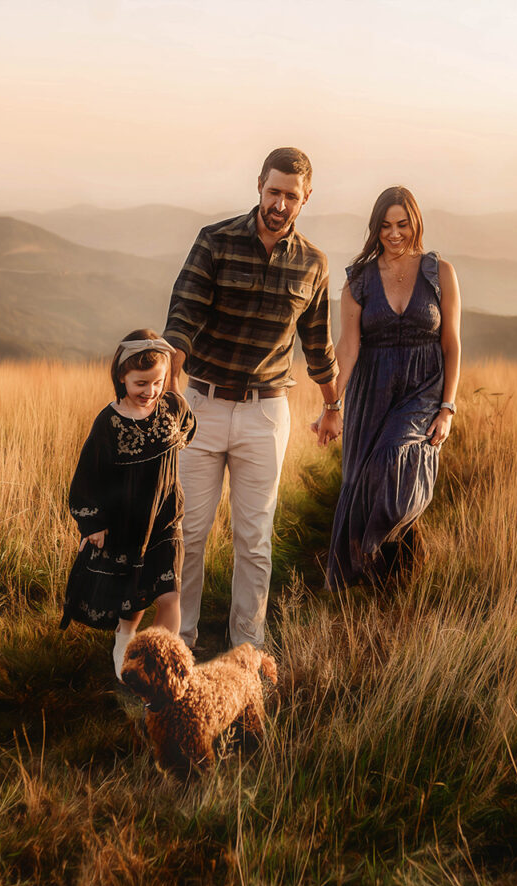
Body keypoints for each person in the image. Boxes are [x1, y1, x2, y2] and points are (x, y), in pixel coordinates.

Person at [163, 147, 342, 651]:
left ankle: (247, 649)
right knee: (188, 534)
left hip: (266, 413)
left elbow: (317, 345)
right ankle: (180, 642)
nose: (280, 204)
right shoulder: (214, 241)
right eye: (273, 192)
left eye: (291, 196)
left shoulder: (314, 263)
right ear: (258, 185)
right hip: (202, 405)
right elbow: (183, 315)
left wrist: (332, 407)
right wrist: (171, 382)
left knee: (255, 540)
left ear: (306, 198)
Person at [325, 186, 461, 589]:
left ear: (416, 222)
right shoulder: (360, 280)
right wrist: (332, 405)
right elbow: (348, 347)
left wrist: (448, 407)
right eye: (385, 226)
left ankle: (377, 557)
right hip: (372, 392)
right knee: (363, 479)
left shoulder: (441, 273)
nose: (395, 233)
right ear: (375, 228)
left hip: (424, 388)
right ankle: (388, 584)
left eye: (402, 224)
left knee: (392, 460)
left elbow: (452, 343)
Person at [60, 329, 197, 678]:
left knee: (169, 594)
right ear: (121, 376)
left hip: (166, 519)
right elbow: (87, 477)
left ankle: (160, 668)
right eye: (141, 383)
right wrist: (93, 523)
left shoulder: (172, 406)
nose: (149, 392)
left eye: (158, 382)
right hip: (127, 525)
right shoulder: (109, 423)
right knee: (133, 601)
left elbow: (188, 428)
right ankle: (126, 637)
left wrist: (175, 395)